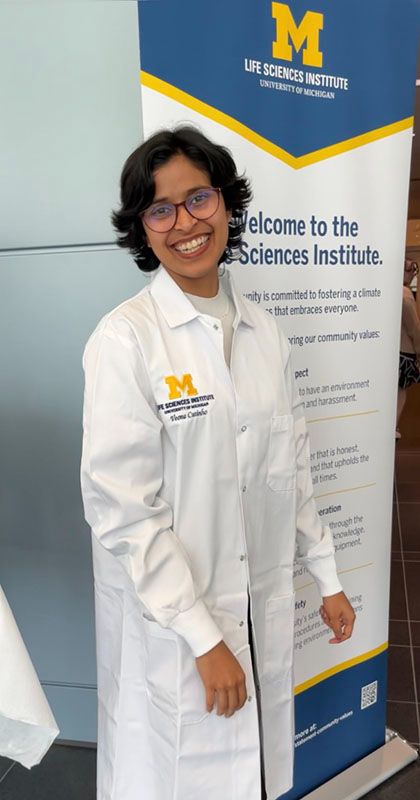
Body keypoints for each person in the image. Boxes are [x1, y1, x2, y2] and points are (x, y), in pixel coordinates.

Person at [81, 127, 355, 800]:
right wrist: (203, 639)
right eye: (160, 209)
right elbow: (123, 514)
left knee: (248, 774)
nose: (185, 223)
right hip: (176, 622)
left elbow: (292, 468)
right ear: (141, 230)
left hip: (256, 605)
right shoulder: (127, 340)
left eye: (198, 197)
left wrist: (326, 575)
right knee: (172, 775)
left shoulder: (265, 332)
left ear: (226, 203)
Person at [396, 257, 420, 438]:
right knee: (400, 392)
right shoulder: (405, 294)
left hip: (389, 352)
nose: (414, 275)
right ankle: (392, 427)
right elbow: (414, 328)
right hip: (404, 352)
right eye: (412, 270)